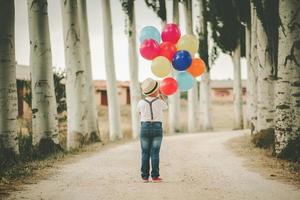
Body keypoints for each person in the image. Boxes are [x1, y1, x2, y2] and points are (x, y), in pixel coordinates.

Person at [137, 78, 168, 183]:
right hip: (157, 128)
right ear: (156, 90)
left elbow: (140, 113)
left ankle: (144, 177)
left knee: (145, 152)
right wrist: (160, 95)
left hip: (144, 127)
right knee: (155, 152)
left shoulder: (141, 102)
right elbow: (166, 107)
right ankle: (155, 176)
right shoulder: (159, 101)